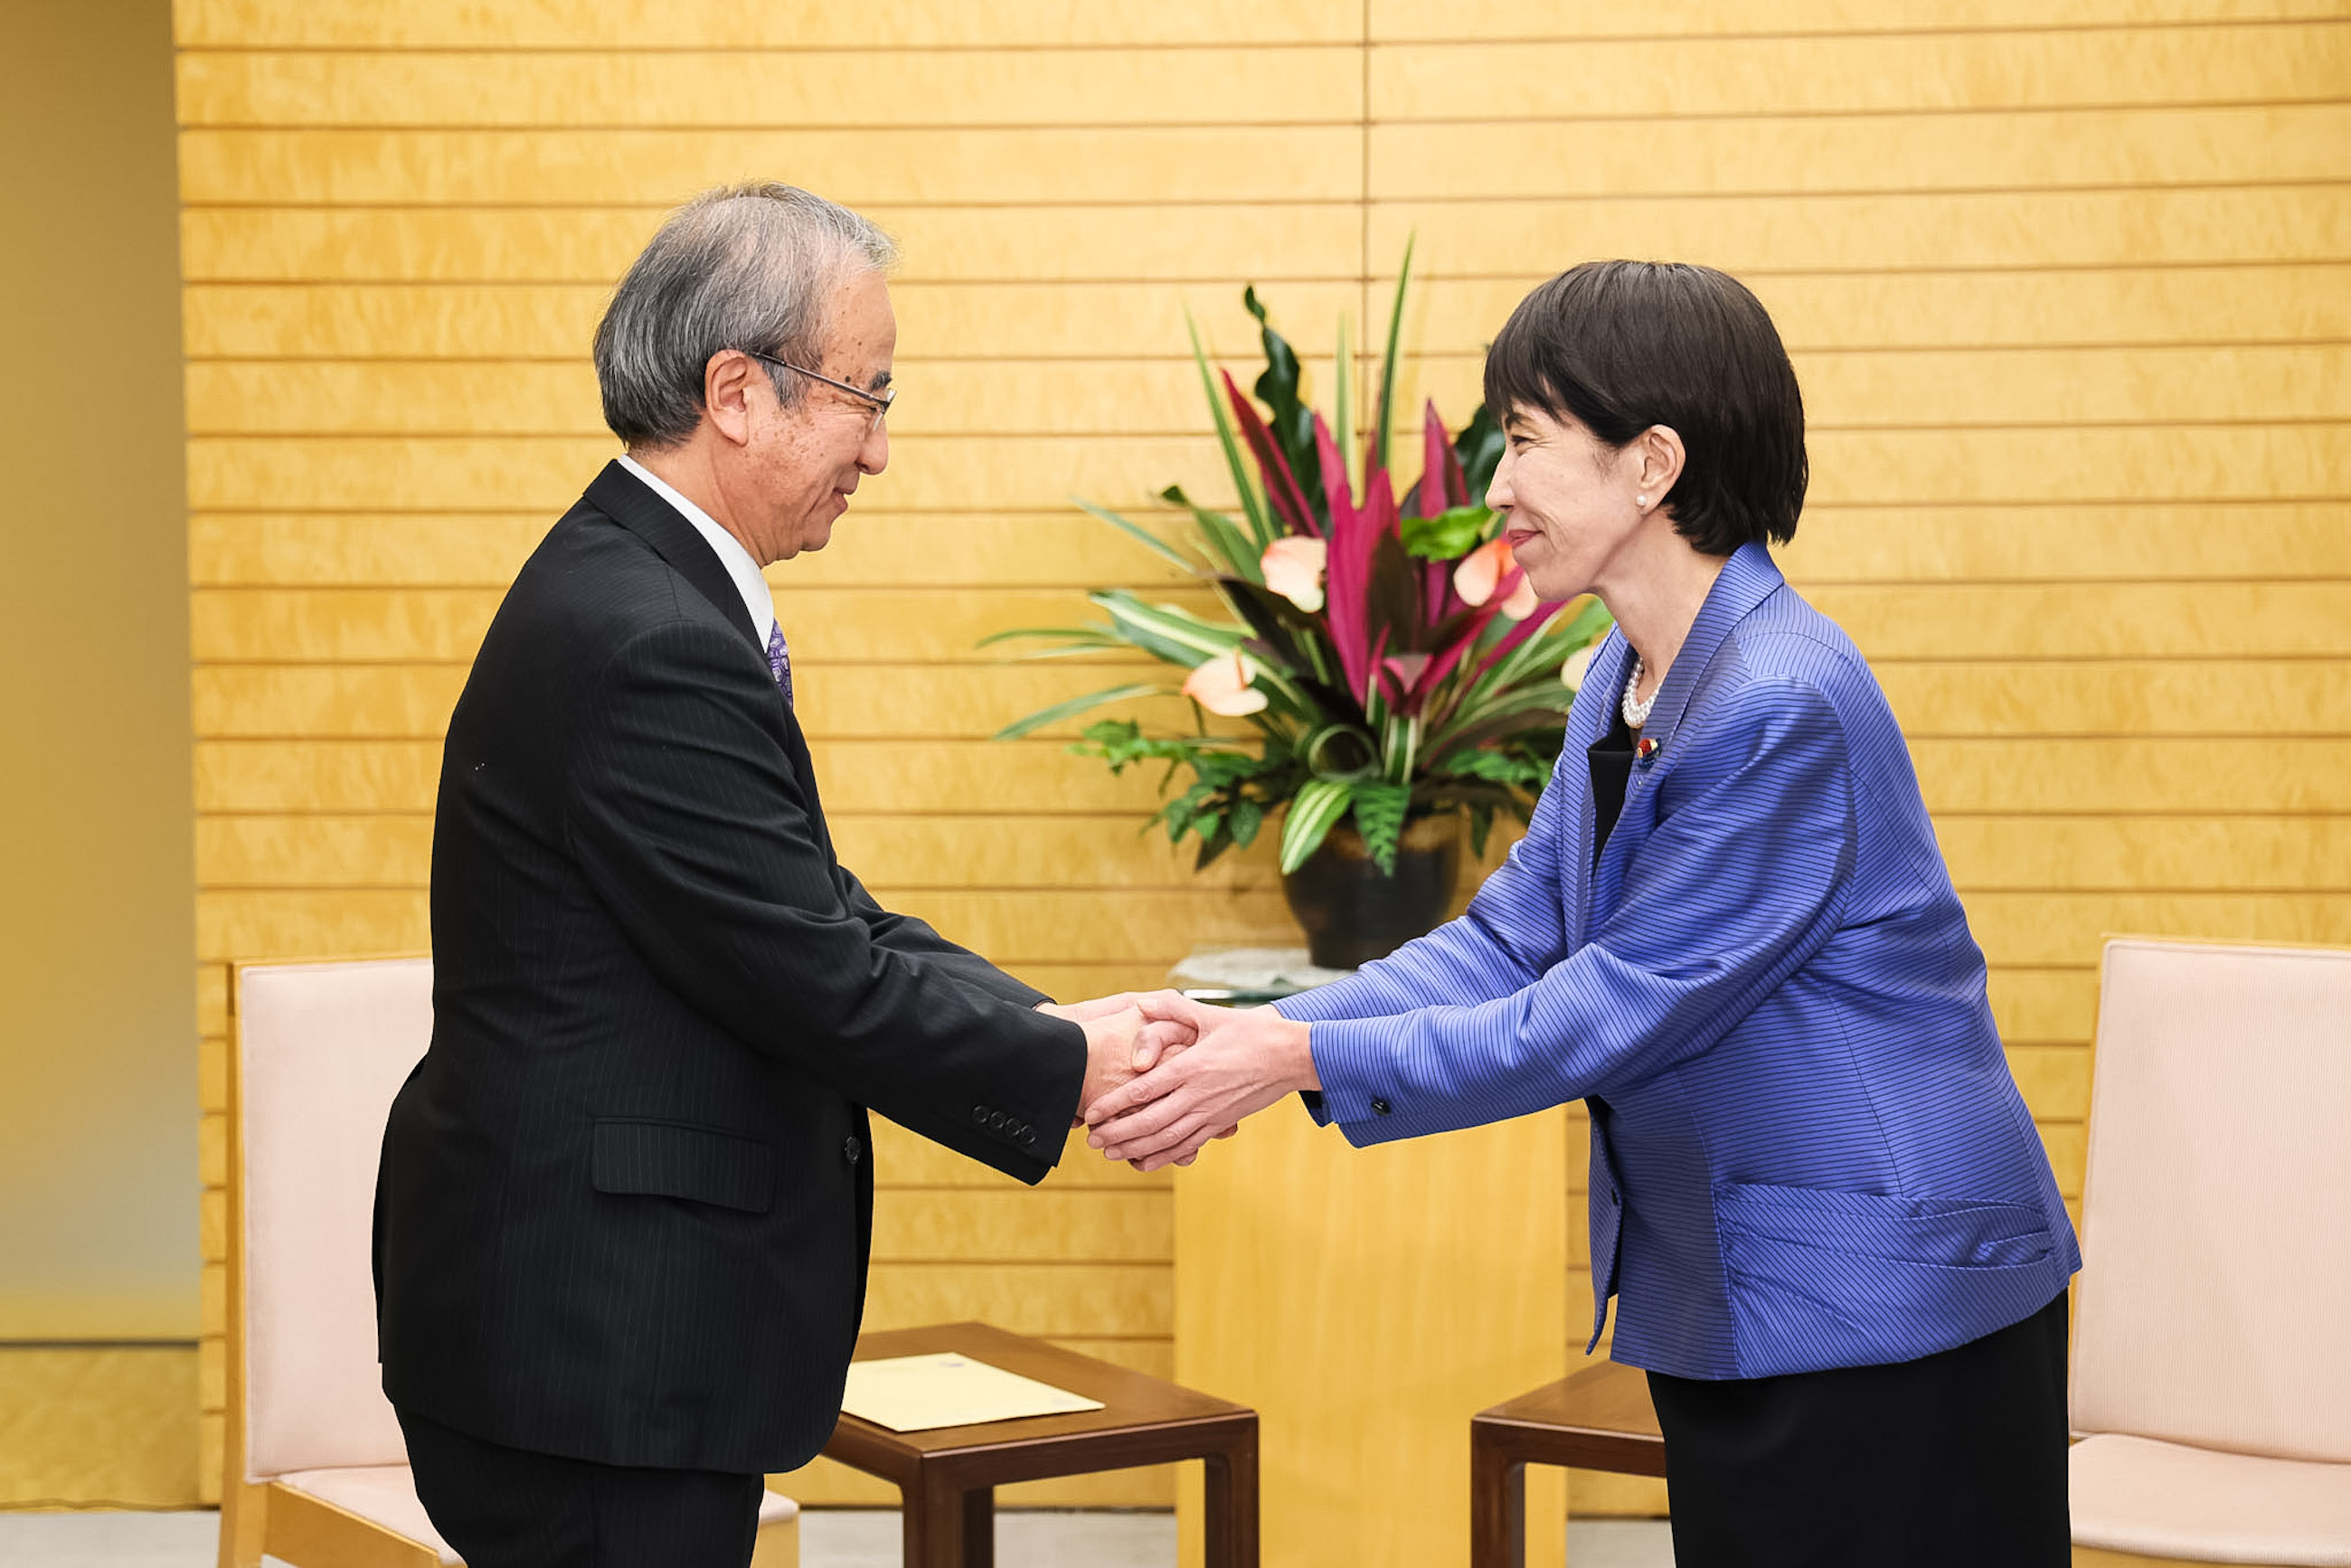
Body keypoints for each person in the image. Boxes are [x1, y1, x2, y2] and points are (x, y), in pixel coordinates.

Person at [1083, 260, 2081, 1565]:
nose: (1495, 488)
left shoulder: (1781, 701)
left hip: (1886, 1296)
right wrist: (1261, 1026)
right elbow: (1513, 939)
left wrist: (1292, 1057)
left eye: (1525, 441)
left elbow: (1604, 1010)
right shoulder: (1624, 668)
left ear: (1653, 463)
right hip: (1755, 1282)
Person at [373, 183, 1153, 1568]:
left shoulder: (644, 587)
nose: (884, 450)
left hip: (597, 1330)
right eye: (869, 395)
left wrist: (1053, 1026)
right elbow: (816, 979)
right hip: (596, 1349)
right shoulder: (646, 636)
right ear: (739, 391)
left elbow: (817, 908)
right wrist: (1074, 1069)